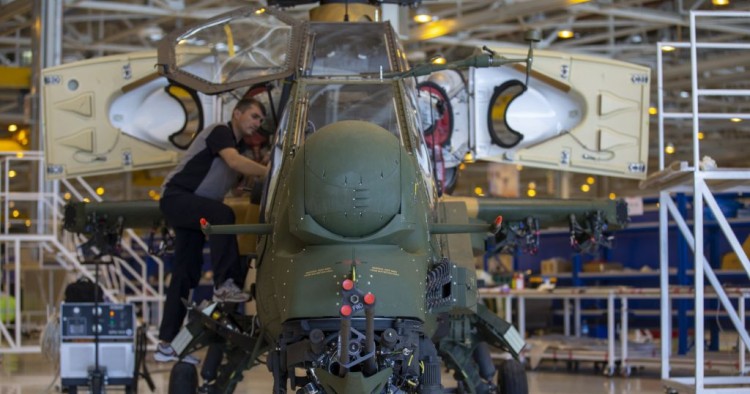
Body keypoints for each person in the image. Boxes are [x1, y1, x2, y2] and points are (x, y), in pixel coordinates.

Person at [154, 98, 268, 364]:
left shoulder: (237, 147)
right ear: (237, 113)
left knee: (186, 272)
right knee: (223, 214)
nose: (257, 123)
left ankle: (166, 343)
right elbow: (235, 162)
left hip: (191, 206)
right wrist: (270, 171)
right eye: (253, 116)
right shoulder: (221, 132)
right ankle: (225, 285)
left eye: (260, 121)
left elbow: (237, 184)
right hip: (177, 197)